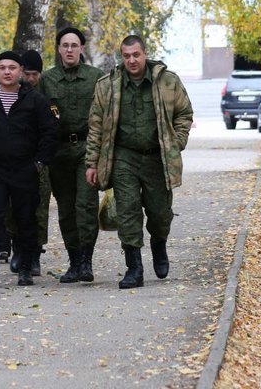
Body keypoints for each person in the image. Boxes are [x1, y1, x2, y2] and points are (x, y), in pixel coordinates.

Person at [85, 35, 193, 289]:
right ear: (121, 57)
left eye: (136, 55)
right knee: (128, 210)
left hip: (158, 158)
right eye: (126, 56)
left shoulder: (167, 82)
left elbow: (184, 113)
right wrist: (92, 162)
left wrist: (176, 142)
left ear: (145, 54)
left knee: (159, 213)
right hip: (124, 157)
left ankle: (159, 244)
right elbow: (96, 126)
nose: (132, 60)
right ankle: (134, 268)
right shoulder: (108, 85)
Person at [0, 51, 57, 286]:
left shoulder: (35, 100)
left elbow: (49, 131)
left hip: (25, 168)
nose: (7, 72)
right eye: (2, 67)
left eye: (12, 68)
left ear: (20, 71)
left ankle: (26, 269)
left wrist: (39, 161)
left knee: (26, 217)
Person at [38, 27, 105, 283]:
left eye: (74, 45)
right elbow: (41, 118)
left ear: (81, 49)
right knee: (66, 209)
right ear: (58, 49)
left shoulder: (96, 77)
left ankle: (87, 262)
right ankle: (74, 262)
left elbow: (105, 117)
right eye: (64, 45)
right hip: (58, 152)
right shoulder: (48, 79)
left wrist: (101, 155)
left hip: (87, 150)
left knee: (86, 205)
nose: (69, 50)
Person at [4, 50, 54, 276]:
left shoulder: (47, 95)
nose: (31, 79)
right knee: (14, 208)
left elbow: (52, 129)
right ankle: (18, 249)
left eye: (36, 74)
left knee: (39, 209)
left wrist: (42, 159)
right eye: (28, 73)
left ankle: (34, 254)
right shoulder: (14, 93)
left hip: (40, 163)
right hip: (16, 161)